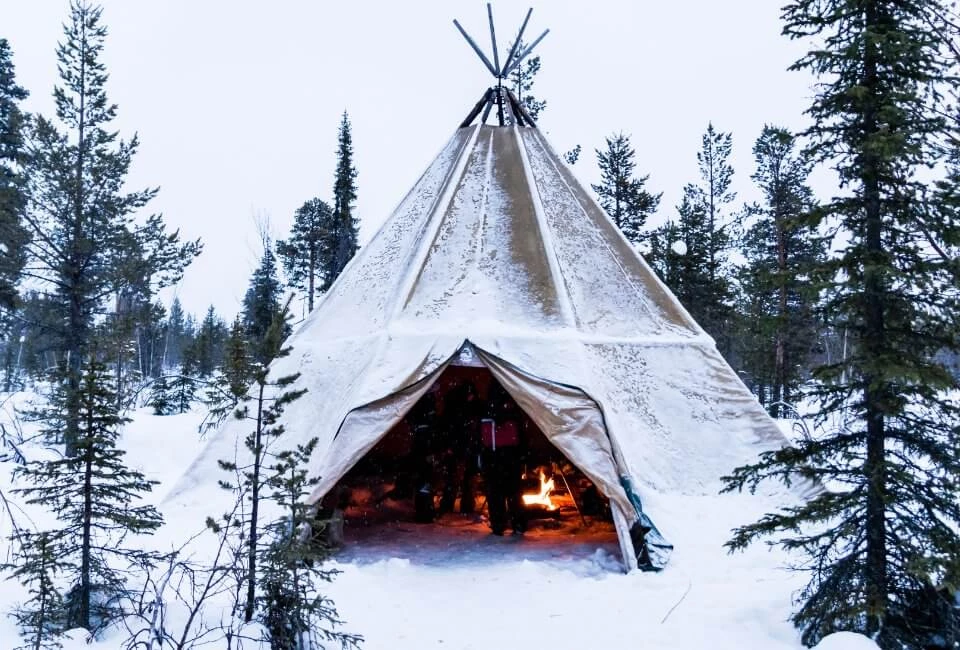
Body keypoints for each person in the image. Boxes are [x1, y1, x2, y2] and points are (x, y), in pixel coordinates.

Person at [480, 387, 527, 536]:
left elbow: (479, 437)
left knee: (497, 494)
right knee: (512, 493)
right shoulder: (513, 411)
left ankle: (499, 525)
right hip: (508, 456)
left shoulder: (486, 411)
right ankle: (516, 524)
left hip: (496, 456)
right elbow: (522, 435)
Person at [439, 380, 483, 514]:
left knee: (465, 479)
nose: (470, 397)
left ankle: (464, 506)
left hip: (467, 447)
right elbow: (449, 427)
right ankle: (451, 506)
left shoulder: (468, 407)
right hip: (460, 447)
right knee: (455, 478)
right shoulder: (456, 408)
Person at [406, 389, 439, 523]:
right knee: (424, 480)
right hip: (424, 447)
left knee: (423, 480)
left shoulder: (420, 402)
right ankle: (425, 512)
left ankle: (424, 511)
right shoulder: (426, 403)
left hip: (422, 446)